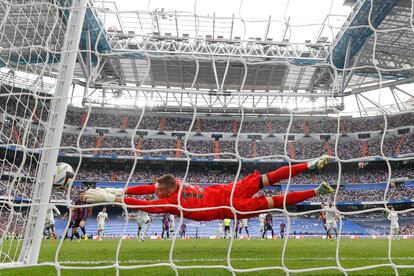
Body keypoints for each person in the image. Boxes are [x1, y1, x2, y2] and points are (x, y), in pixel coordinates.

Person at [86, 156, 334, 221]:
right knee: (268, 179)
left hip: (230, 206)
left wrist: (113, 198)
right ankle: (310, 166)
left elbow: (143, 204)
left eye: (157, 190)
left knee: (274, 200)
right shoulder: (176, 184)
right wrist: (121, 191)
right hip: (228, 190)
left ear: (165, 190)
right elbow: (144, 191)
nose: (155, 191)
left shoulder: (171, 203)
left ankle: (316, 189)